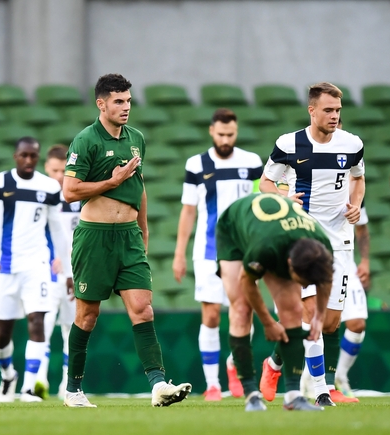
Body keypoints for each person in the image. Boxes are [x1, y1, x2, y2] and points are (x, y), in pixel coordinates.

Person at [62, 73, 192, 408]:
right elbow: (70, 191)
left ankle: (158, 385)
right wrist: (111, 180)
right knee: (87, 315)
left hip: (130, 237)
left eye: (129, 101)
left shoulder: (136, 139)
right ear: (101, 104)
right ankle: (73, 389)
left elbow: (139, 188)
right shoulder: (86, 140)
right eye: (118, 101)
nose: (125, 107)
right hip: (95, 238)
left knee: (143, 310)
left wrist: (143, 232)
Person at [258, 82, 365, 406]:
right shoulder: (288, 144)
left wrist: (356, 203)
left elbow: (358, 179)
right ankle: (320, 391)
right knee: (307, 313)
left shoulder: (352, 144)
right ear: (312, 110)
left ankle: (274, 362)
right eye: (329, 110)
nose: (334, 116)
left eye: (338, 111)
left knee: (329, 322)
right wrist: (284, 196)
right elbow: (265, 183)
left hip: (339, 238)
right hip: (300, 236)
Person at [172, 108, 263, 401]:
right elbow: (188, 211)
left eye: (231, 134)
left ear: (236, 132)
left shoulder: (251, 162)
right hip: (208, 250)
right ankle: (212, 384)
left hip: (244, 250)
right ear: (211, 131)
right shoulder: (196, 164)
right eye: (221, 134)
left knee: (243, 312)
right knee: (210, 315)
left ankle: (235, 366)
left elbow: (262, 202)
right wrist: (179, 254)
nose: (226, 139)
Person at [217, 192, 333, 412]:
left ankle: (293, 396)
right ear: (289, 264)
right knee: (241, 309)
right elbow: (247, 282)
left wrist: (318, 317)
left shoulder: (322, 244)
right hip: (234, 227)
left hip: (276, 232)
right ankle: (251, 395)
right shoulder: (266, 248)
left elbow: (325, 279)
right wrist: (268, 322)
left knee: (293, 310)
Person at [0, 137, 69, 403]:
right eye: (23, 155)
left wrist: (69, 272)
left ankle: (29, 388)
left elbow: (58, 230)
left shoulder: (49, 186)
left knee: (37, 322)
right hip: (5, 268)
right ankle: (8, 375)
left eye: (33, 156)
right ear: (15, 156)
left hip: (37, 266)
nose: (28, 161)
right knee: (2, 333)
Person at [35, 144, 80, 401]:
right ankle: (39, 381)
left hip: (76, 273)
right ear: (46, 168)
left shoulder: (79, 197)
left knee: (71, 331)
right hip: (48, 273)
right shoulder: (40, 197)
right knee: (44, 327)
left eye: (64, 170)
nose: (59, 175)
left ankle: (67, 384)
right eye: (54, 170)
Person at [333, 202, 370, 398]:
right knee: (318, 324)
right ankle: (311, 380)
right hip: (314, 260)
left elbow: (362, 227)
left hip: (346, 260)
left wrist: (365, 261)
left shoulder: (354, 189)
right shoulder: (311, 180)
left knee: (357, 324)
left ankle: (340, 375)